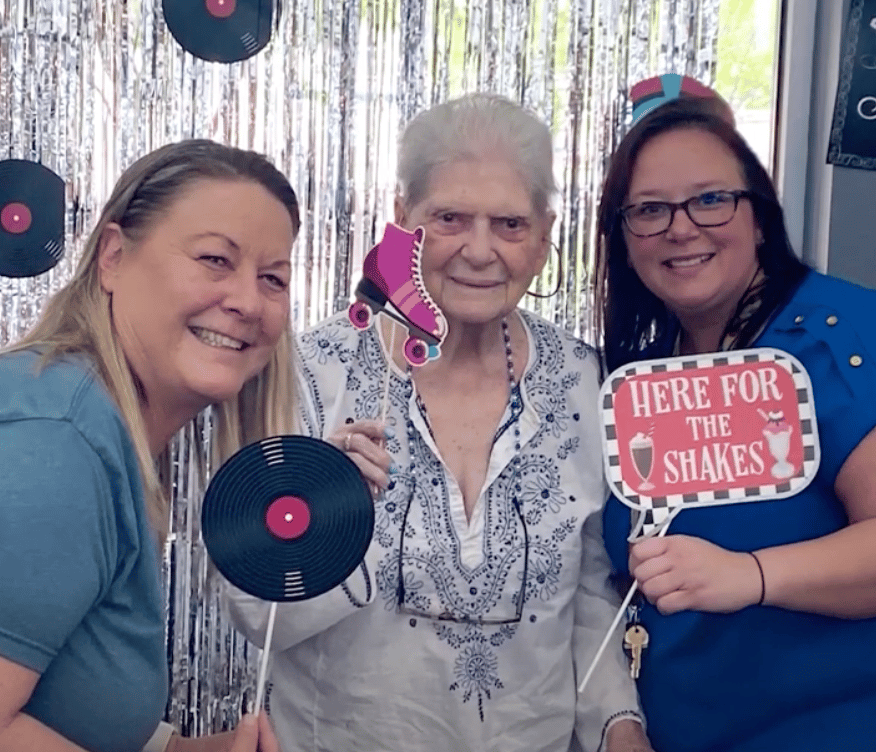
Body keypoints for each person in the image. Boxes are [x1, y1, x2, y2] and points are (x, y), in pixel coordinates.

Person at [225, 94, 652, 752]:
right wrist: (335, 515)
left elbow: (592, 600)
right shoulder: (310, 376)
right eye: (449, 217)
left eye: (509, 224)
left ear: (544, 237)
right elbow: (259, 617)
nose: (479, 250)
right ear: (403, 221)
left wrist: (620, 727)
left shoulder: (588, 383)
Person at [597, 95, 876, 751]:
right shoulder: (643, 378)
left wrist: (750, 574)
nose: (681, 227)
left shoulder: (840, 339)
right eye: (649, 210)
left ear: (758, 218)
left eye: (711, 199)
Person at [0, 140, 298, 752]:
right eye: (215, 259)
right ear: (112, 257)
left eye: (272, 278)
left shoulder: (97, 420)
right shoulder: (61, 442)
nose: (246, 301)